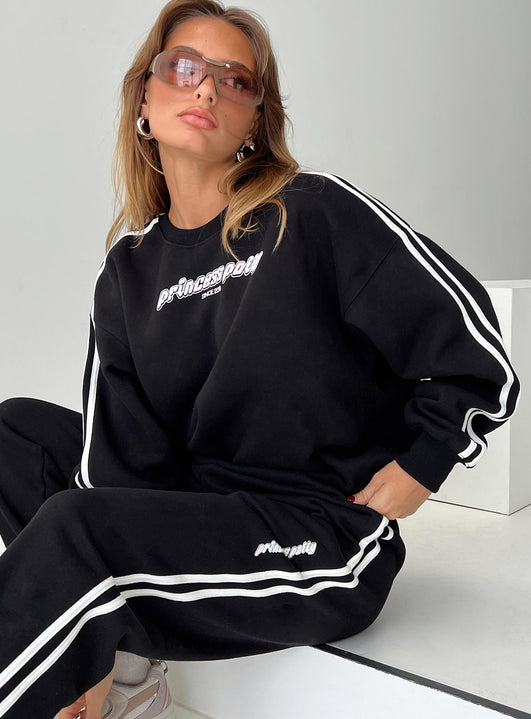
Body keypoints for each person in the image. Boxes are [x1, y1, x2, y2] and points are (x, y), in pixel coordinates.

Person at [0, 0, 520, 717]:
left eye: (235, 80)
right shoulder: (127, 272)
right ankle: (120, 662)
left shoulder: (308, 212)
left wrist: (424, 462)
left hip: (317, 533)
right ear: (144, 98)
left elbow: (473, 340)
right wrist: (85, 627)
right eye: (184, 68)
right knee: (16, 434)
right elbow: (116, 466)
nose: (208, 90)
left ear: (254, 121)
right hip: (200, 509)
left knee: (73, 529)